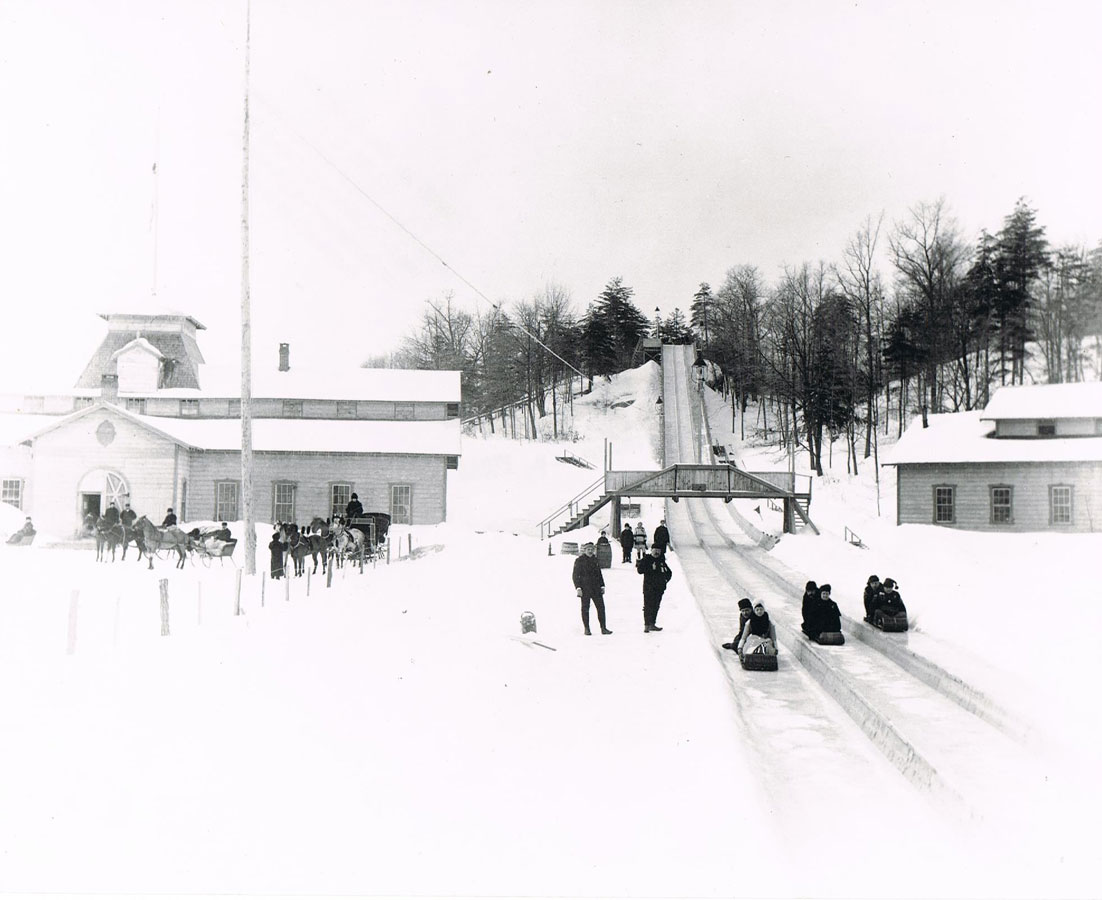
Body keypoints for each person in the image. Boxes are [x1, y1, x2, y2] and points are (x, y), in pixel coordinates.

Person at [572, 542, 611, 636]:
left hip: (596, 588)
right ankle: (587, 628)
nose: (590, 551)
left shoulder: (595, 560)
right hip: (585, 589)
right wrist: (578, 588)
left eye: (591, 549)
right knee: (585, 608)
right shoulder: (579, 560)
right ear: (584, 550)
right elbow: (575, 575)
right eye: (588, 549)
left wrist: (602, 585)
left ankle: (603, 628)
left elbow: (599, 574)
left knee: (601, 608)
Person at [636, 544, 673, 633]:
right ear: (651, 550)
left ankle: (652, 623)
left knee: (656, 606)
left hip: (659, 588)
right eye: (655, 550)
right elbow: (640, 571)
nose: (656, 552)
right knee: (648, 606)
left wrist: (665, 581)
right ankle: (647, 625)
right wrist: (648, 567)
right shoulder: (647, 559)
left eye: (658, 551)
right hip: (649, 588)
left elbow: (669, 573)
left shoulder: (661, 561)